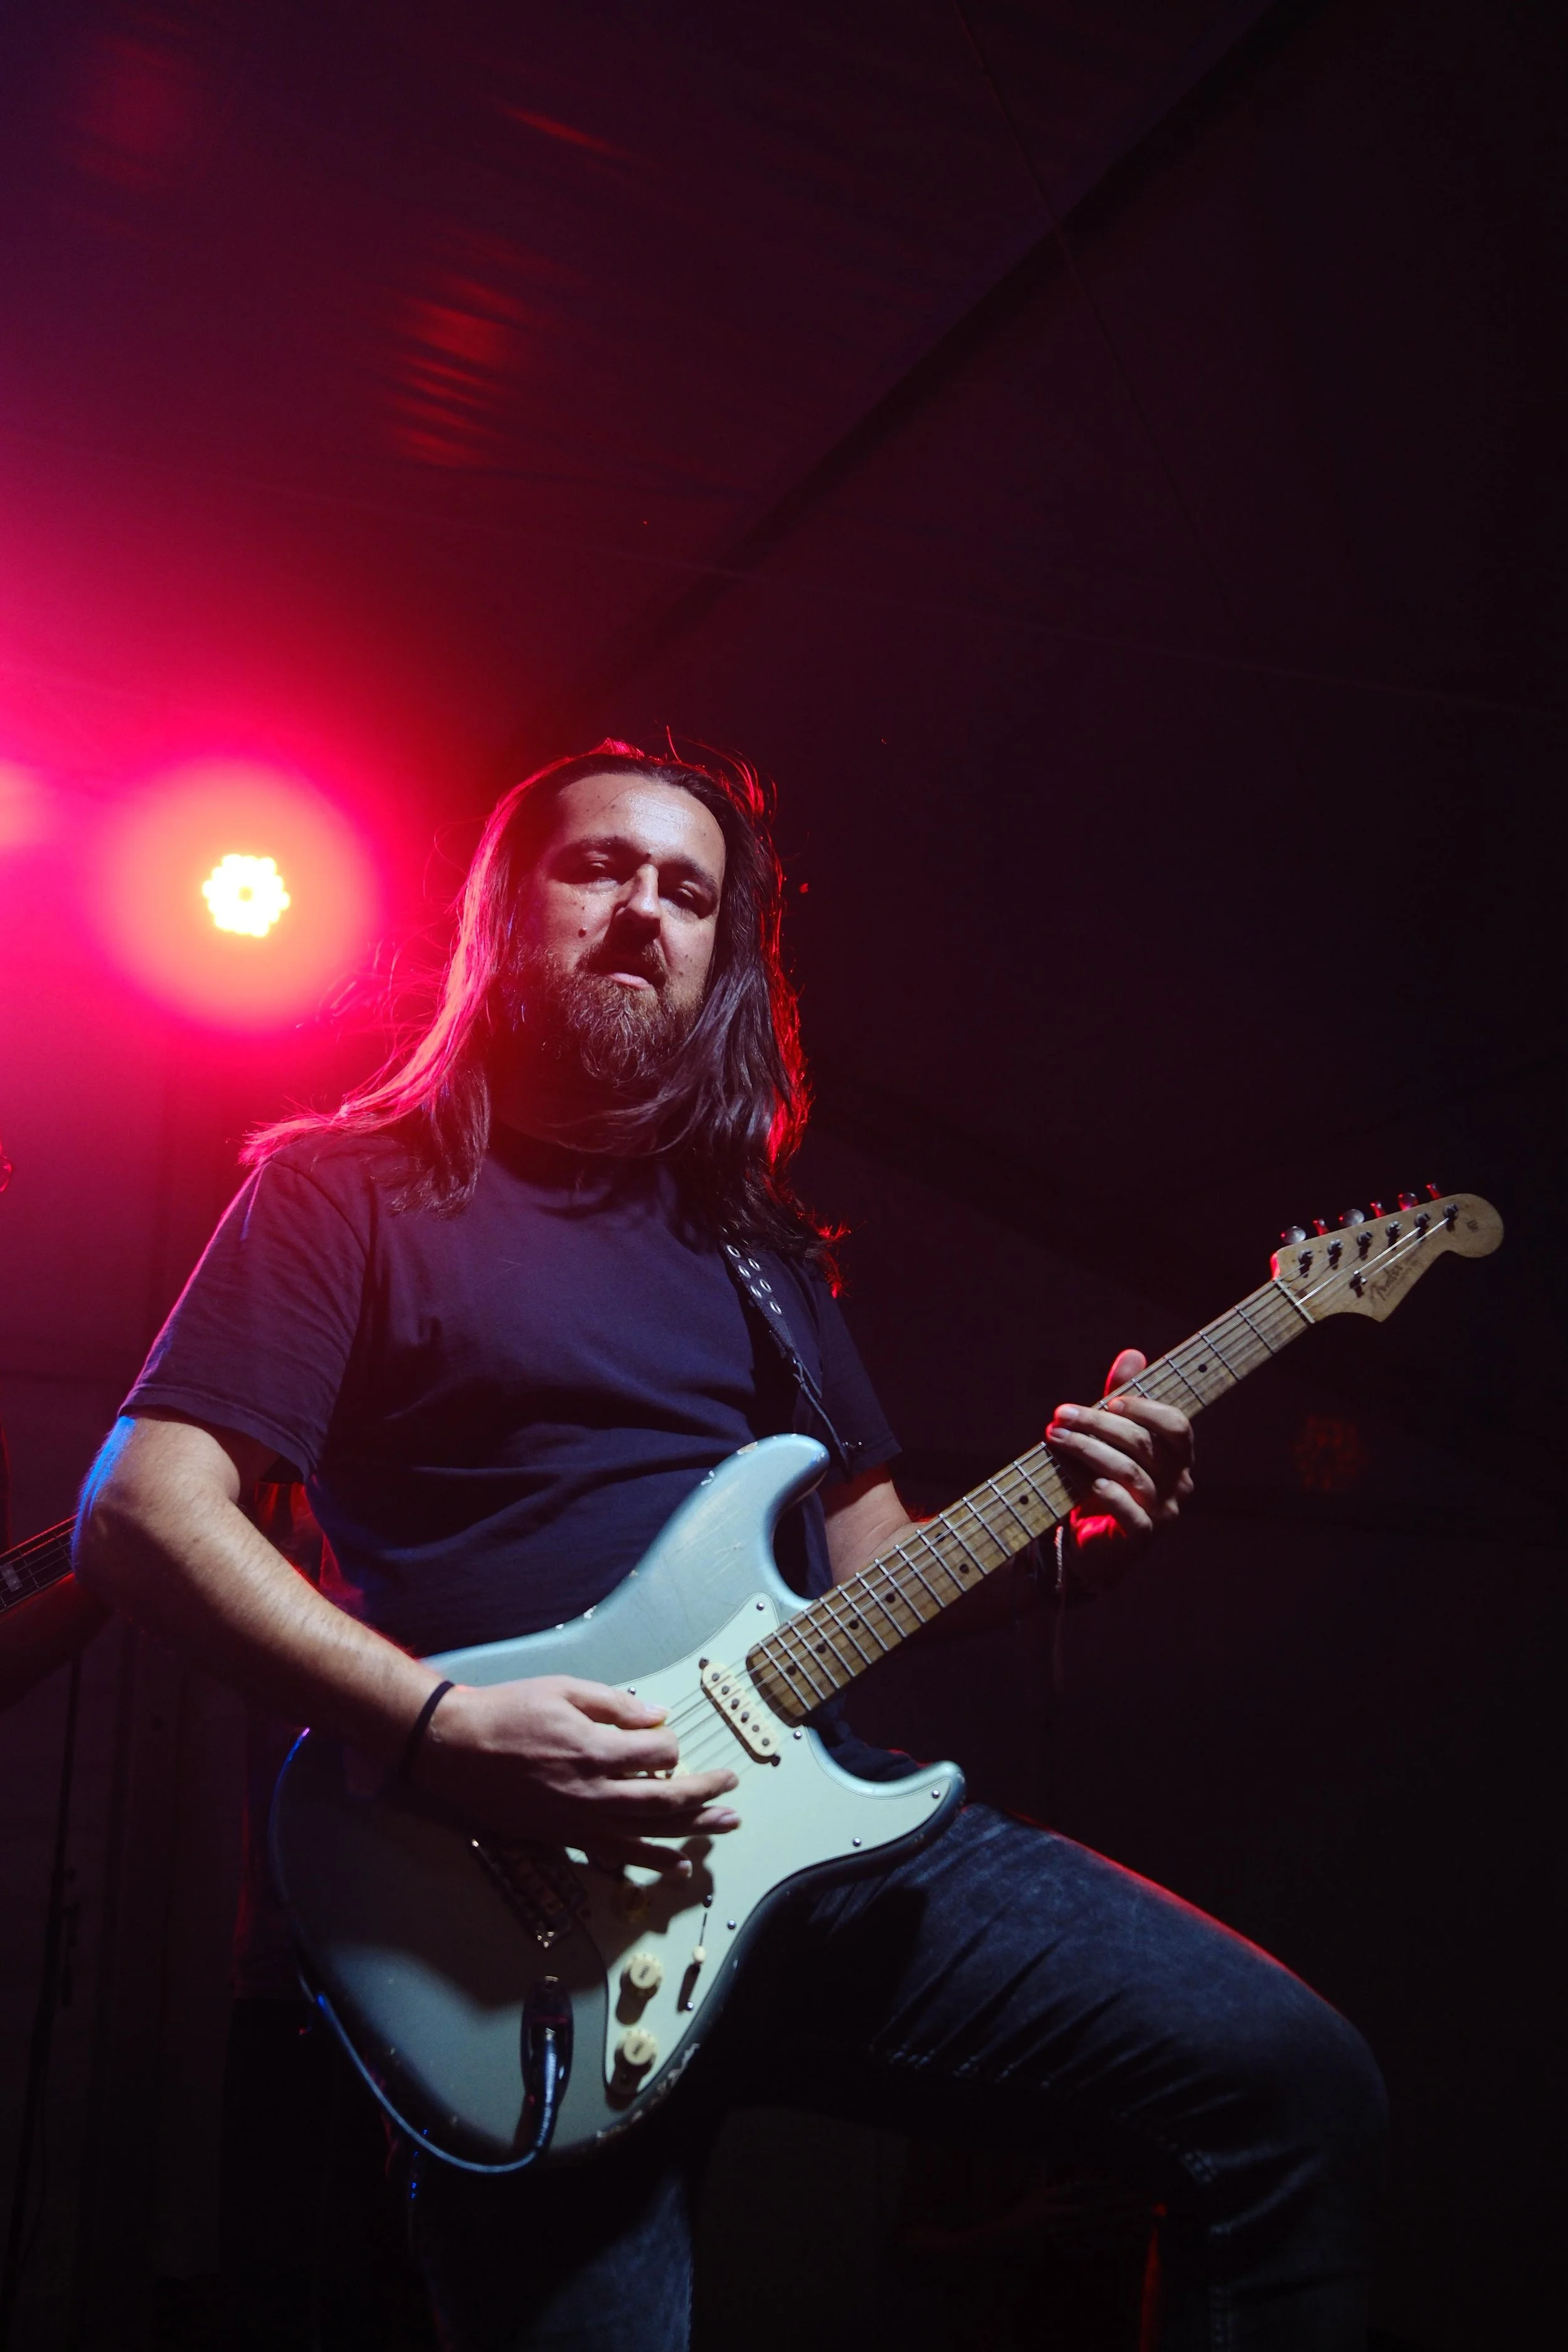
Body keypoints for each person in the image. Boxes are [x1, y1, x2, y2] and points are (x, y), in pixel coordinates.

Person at [75, 743, 1385, 2350]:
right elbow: (143, 1510)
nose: (643, 908)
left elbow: (869, 1562)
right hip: (510, 1910)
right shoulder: (344, 1191)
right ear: (503, 914)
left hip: (800, 1847)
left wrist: (1080, 1540)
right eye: (598, 868)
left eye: (686, 891)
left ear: (721, 957)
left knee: (1286, 2079)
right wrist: (440, 1723)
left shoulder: (758, 1249)